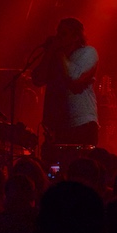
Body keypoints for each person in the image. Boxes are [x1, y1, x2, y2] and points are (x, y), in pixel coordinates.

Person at [32, 17, 99, 146]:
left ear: (76, 37)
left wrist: (59, 52)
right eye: (58, 33)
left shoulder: (88, 52)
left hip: (81, 123)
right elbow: (37, 79)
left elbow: (75, 76)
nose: (58, 37)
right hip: (57, 126)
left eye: (63, 34)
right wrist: (49, 53)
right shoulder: (55, 57)